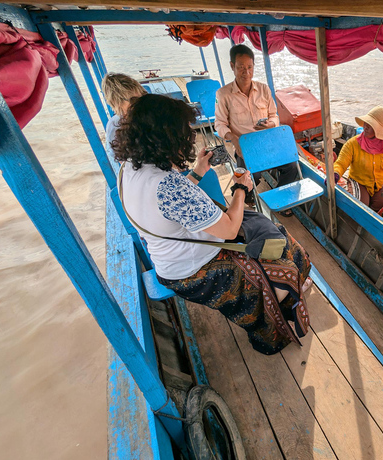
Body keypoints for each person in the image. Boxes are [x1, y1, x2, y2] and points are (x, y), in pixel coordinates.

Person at [112, 94, 311, 355]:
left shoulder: (129, 169)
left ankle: (288, 290)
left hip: (170, 260)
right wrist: (241, 188)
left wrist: (197, 172)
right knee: (276, 262)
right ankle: (273, 319)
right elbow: (228, 228)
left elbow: (167, 209)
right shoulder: (169, 185)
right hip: (192, 271)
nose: (190, 138)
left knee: (268, 235)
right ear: (165, 138)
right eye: (184, 133)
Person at [215, 44, 299, 197]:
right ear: (232, 66)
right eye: (241, 67)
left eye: (250, 67)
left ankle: (278, 198)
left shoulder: (264, 89)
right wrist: (234, 139)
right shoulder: (223, 94)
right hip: (245, 147)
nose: (246, 72)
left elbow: (274, 115)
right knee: (249, 177)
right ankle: (249, 200)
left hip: (268, 142)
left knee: (291, 167)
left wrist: (271, 123)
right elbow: (220, 124)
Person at [333, 106, 383, 211]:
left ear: (378, 130)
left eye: (370, 125)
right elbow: (341, 163)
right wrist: (335, 174)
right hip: (360, 182)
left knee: (382, 207)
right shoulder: (353, 143)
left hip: (381, 184)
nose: (365, 127)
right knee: (361, 205)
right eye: (365, 123)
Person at [101, 72, 147, 163]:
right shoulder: (116, 125)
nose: (142, 104)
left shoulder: (147, 115)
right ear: (117, 103)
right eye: (134, 101)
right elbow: (121, 159)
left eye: (144, 97)